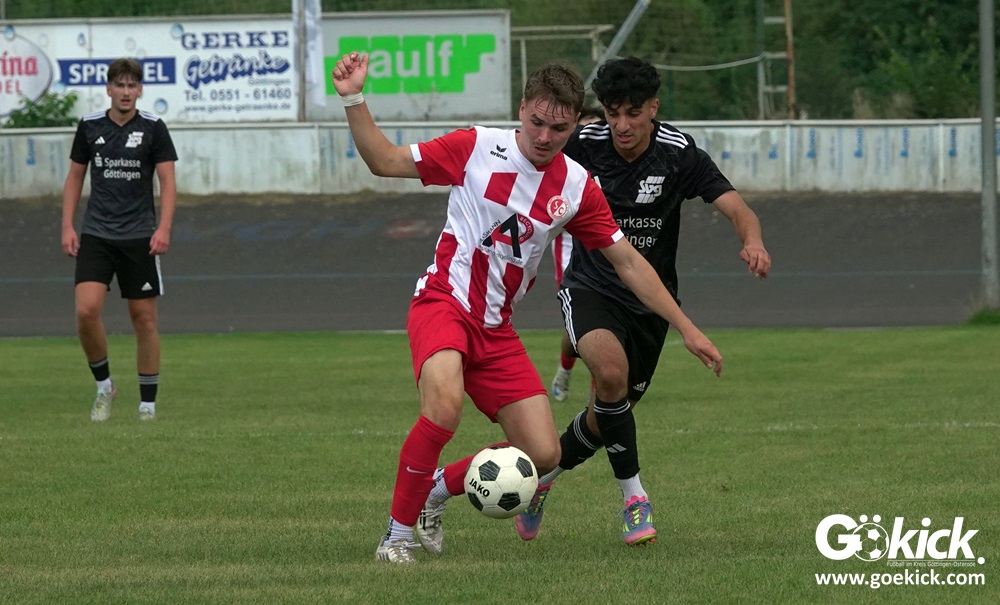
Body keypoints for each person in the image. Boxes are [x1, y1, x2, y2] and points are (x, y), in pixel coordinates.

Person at [331, 52, 723, 564]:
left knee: (542, 455)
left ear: (576, 124)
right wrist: (354, 98)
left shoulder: (577, 186)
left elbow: (628, 262)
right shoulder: (475, 147)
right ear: (522, 109)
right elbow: (384, 160)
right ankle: (396, 537)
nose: (544, 136)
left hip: (497, 329)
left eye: (559, 128)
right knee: (444, 406)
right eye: (536, 122)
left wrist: (687, 328)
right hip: (444, 302)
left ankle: (434, 490)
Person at [519, 56, 772, 546]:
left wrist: (753, 241)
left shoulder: (678, 154)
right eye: (613, 113)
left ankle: (543, 477)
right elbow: (530, 157)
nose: (622, 125)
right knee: (610, 374)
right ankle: (635, 500)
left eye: (633, 113)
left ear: (653, 108)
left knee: (604, 417)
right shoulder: (584, 143)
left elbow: (737, 207)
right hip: (590, 286)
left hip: (650, 304)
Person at [61, 57, 178, 422]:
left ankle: (147, 405)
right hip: (97, 234)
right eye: (120, 85)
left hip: (140, 236)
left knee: (143, 319)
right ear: (108, 89)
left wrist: (164, 228)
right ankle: (104, 386)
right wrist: (67, 226)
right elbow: (75, 177)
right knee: (86, 311)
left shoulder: (154, 128)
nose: (126, 92)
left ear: (139, 90)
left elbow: (168, 182)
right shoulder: (90, 126)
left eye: (132, 86)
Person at [549, 105, 603, 403]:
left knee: (607, 322)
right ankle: (565, 370)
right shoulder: (563, 163)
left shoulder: (612, 163)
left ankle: (600, 397)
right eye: (584, 129)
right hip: (570, 248)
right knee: (578, 326)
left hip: (606, 247)